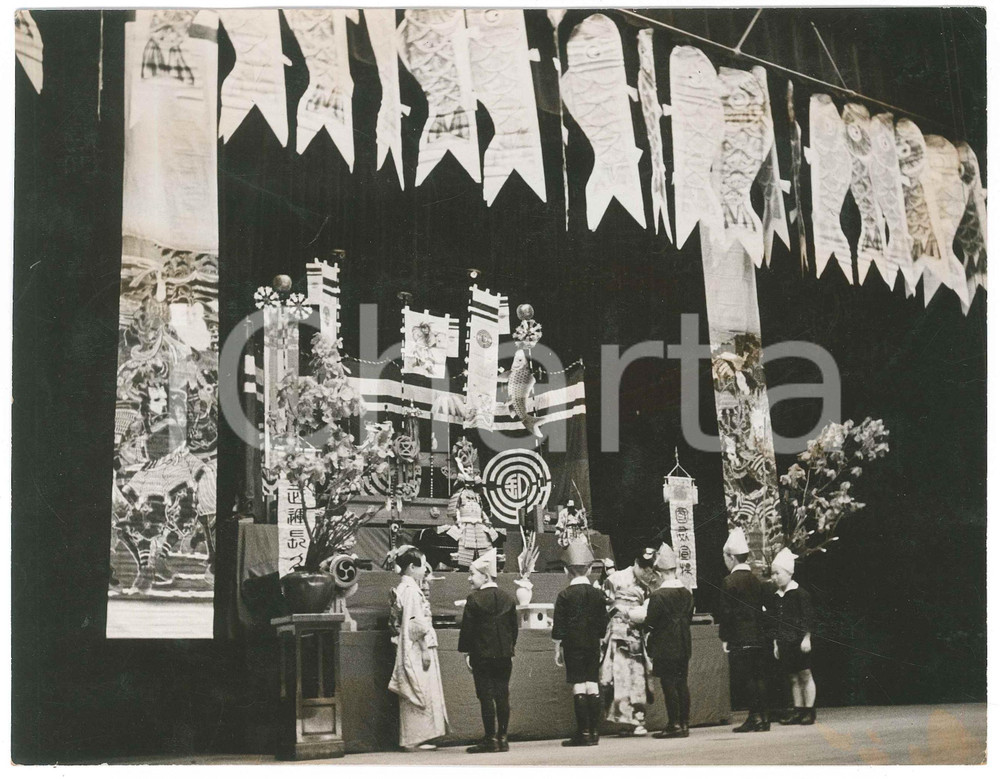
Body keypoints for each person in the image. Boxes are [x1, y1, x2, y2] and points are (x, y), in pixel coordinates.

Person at [387, 546, 449, 751]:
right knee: (419, 688)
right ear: (412, 567)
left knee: (417, 687)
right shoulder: (411, 591)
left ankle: (416, 737)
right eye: (422, 566)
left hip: (408, 643)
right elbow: (416, 624)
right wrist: (424, 648)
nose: (425, 571)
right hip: (415, 646)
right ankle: (415, 738)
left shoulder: (404, 588)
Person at [458, 548, 519, 753]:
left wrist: (466, 652)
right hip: (504, 655)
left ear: (484, 576)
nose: (469, 579)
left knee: (485, 696)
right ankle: (503, 738)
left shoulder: (474, 600)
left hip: (482, 656)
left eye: (472, 574)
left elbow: (468, 630)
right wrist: (510, 647)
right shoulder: (508, 598)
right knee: (503, 695)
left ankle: (490, 738)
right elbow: (513, 629)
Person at [551, 537, 609, 747]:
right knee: (592, 683)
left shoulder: (564, 595)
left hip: (573, 646)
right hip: (593, 644)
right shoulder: (597, 594)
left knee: (578, 685)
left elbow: (559, 627)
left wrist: (557, 648)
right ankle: (594, 732)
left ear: (566, 570)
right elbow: (603, 622)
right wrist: (601, 641)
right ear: (591, 568)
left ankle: (583, 732)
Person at [636, 543, 694, 739]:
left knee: (669, 684)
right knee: (682, 683)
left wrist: (646, 631)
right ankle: (685, 723)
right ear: (675, 570)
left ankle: (674, 724)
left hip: (665, 645)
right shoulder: (687, 594)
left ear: (659, 573)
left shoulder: (658, 596)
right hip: (684, 643)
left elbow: (650, 623)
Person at [717, 527, 770, 733]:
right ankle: (764, 718)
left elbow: (726, 613)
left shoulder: (729, 581)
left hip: (740, 636)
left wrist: (725, 638)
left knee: (748, 677)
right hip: (758, 634)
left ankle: (754, 717)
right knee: (759, 676)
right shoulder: (756, 581)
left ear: (731, 557)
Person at [599, 549, 657, 735]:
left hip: (638, 635)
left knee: (639, 678)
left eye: (650, 569)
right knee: (620, 678)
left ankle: (638, 720)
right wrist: (620, 610)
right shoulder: (615, 578)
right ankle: (625, 721)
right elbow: (605, 603)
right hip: (618, 633)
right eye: (644, 568)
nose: (647, 572)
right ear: (636, 563)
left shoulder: (649, 582)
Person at [767, 547, 817, 726]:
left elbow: (808, 618)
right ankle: (798, 709)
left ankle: (809, 710)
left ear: (789, 573)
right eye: (772, 574)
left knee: (805, 674)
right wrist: (775, 644)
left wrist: (806, 638)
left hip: (799, 641)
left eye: (777, 573)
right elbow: (775, 622)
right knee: (793, 677)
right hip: (784, 642)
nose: (774, 577)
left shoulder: (801, 594)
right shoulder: (777, 597)